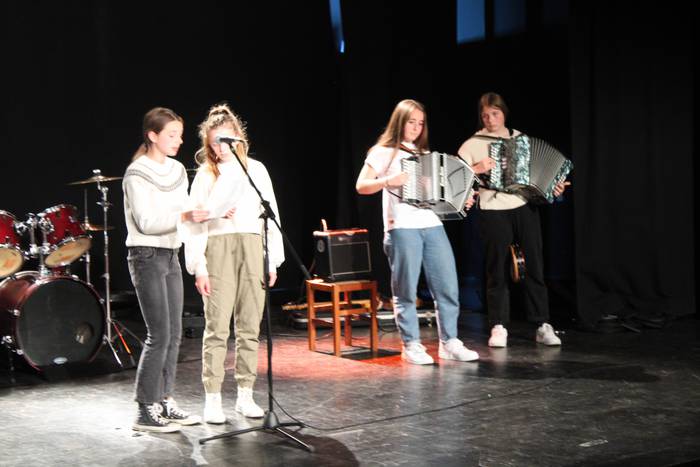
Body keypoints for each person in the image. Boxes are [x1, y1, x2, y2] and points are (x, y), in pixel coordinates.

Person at [355, 99, 482, 365]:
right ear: (399, 122)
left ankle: (449, 342)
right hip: (402, 226)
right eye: (411, 122)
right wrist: (389, 180)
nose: (416, 127)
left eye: (420, 123)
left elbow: (438, 192)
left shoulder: (424, 154)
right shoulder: (383, 152)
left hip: (432, 223)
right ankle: (411, 344)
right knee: (406, 290)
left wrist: (461, 200)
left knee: (447, 285)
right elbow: (361, 185)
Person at [181, 103, 284, 423]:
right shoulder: (205, 175)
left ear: (238, 137)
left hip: (252, 246)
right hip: (219, 248)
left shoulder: (257, 170)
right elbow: (194, 225)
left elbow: (271, 216)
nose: (221, 147)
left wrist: (272, 260)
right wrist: (199, 267)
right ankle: (213, 398)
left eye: (226, 140)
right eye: (214, 142)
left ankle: (245, 395)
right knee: (217, 327)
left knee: (249, 327)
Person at [457, 92, 569, 348]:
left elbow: (536, 177)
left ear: (504, 113)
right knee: (496, 268)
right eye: (485, 115)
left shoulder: (520, 139)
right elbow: (456, 180)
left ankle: (542, 323)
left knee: (534, 265)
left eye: (494, 114)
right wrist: (476, 169)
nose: (490, 119)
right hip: (492, 208)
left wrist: (554, 188)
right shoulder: (471, 144)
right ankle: (498, 324)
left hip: (523, 205)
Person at [123, 107, 208, 432]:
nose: (179, 141)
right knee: (158, 334)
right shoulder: (137, 173)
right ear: (153, 135)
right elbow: (146, 222)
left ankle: (164, 399)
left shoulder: (177, 170)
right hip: (145, 255)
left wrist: (207, 213)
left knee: (174, 333)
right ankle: (145, 408)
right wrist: (184, 216)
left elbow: (185, 210)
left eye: (180, 135)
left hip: (171, 254)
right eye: (172, 135)